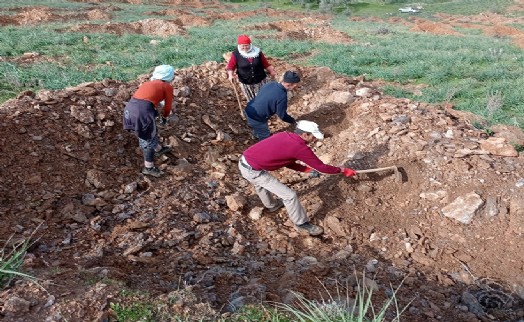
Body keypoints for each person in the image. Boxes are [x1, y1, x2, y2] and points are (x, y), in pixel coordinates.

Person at [238, 120, 357, 236]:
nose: (314, 140)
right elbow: (322, 168)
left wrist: (307, 170)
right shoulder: (300, 147)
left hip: (245, 161)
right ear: (305, 134)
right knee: (290, 196)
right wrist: (342, 170)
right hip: (253, 171)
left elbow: (285, 160)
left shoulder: (284, 135)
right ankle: (301, 224)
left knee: (260, 185)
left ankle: (272, 206)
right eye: (313, 137)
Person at [123, 65, 176, 177]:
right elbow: (167, 106)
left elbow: (146, 98)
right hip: (142, 113)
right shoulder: (166, 86)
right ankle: (149, 168)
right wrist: (165, 118)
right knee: (147, 140)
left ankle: (159, 149)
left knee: (150, 133)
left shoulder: (147, 84)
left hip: (130, 109)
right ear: (169, 76)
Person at [244, 70, 300, 141]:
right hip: (257, 117)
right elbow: (282, 115)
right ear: (289, 85)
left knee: (257, 126)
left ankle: (256, 134)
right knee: (265, 137)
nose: (296, 87)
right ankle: (263, 147)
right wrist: (292, 120)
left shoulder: (271, 84)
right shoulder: (282, 96)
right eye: (296, 85)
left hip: (249, 109)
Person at [227, 34, 276, 102]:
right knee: (251, 100)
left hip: (260, 80)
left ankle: (264, 110)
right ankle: (255, 111)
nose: (245, 47)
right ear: (239, 45)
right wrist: (230, 75)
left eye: (246, 45)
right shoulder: (236, 54)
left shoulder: (257, 52)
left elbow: (265, 64)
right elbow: (230, 66)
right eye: (242, 46)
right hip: (246, 82)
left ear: (250, 44)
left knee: (263, 97)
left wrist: (271, 71)